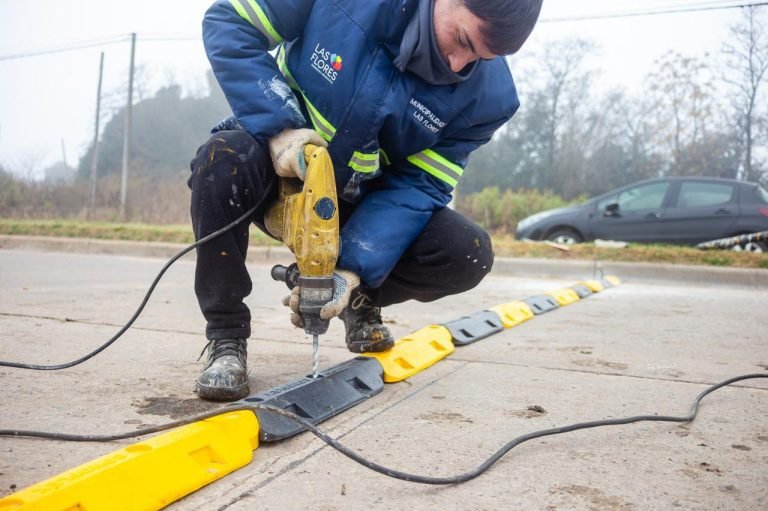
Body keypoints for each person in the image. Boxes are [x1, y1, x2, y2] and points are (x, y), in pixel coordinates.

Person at [189, 0, 542, 401]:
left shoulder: (491, 98)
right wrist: (280, 128)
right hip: (277, 164)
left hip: (361, 203)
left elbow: (419, 184)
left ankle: (358, 298)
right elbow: (229, 22)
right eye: (461, 39)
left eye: (478, 57)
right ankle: (226, 338)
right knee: (221, 161)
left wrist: (350, 270)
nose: (458, 64)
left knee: (466, 252)